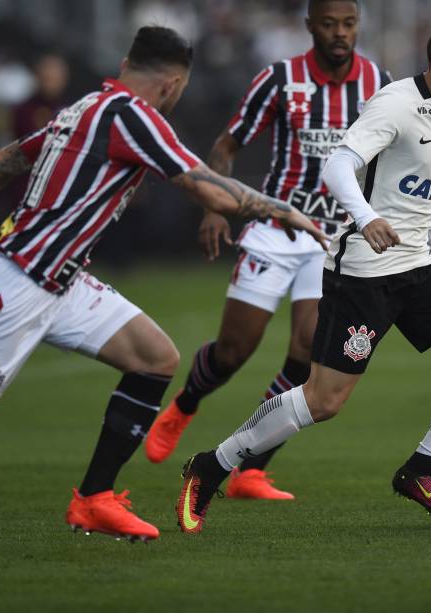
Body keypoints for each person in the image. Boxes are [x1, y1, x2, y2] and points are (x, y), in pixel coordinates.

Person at [0, 26, 326, 543]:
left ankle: (93, 500)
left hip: (62, 281)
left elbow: (5, 159)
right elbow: (209, 191)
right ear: (172, 86)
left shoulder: (84, 107)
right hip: (13, 281)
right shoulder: (134, 116)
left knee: (155, 357)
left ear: (127, 60)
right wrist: (286, 210)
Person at [174, 8, 431, 534]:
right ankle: (213, 464)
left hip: (418, 266)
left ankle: (422, 468)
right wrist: (367, 217)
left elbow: (425, 198)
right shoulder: (396, 103)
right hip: (362, 273)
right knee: (323, 401)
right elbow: (337, 164)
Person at [144, 0, 391, 500]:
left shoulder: (379, 86)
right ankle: (187, 403)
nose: (340, 33)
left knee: (306, 353)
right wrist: (216, 207)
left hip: (330, 238)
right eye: (329, 24)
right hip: (275, 229)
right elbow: (227, 145)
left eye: (349, 24)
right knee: (235, 350)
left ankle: (250, 468)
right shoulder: (279, 79)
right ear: (309, 27)